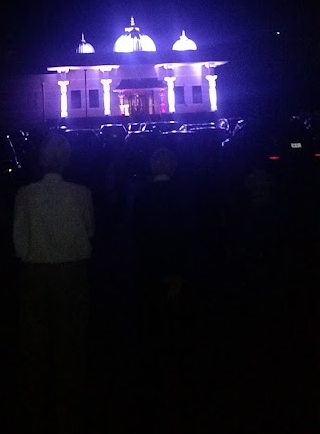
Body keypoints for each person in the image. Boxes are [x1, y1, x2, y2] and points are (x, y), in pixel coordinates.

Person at [13, 133, 95, 433]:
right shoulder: (81, 193)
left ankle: (36, 400)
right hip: (72, 273)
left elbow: (19, 242)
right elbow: (89, 232)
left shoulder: (26, 194)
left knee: (36, 339)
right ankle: (69, 400)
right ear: (67, 160)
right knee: (71, 339)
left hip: (36, 273)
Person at [133, 148, 187, 429]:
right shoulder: (183, 196)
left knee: (150, 329)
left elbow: (135, 239)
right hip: (174, 273)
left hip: (148, 274)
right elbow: (187, 236)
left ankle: (150, 380)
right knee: (174, 328)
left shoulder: (140, 197)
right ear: (173, 167)